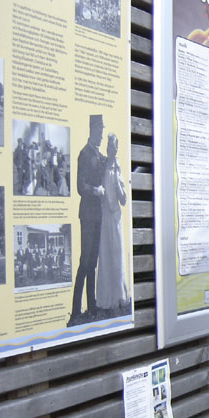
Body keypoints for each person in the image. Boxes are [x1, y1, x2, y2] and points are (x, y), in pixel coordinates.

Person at [69, 114, 106, 325]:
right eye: (100, 131)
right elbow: (80, 186)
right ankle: (76, 310)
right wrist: (96, 191)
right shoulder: (84, 154)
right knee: (85, 261)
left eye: (103, 132)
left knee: (93, 262)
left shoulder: (99, 156)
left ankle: (91, 306)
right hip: (88, 215)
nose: (101, 136)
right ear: (93, 130)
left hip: (98, 215)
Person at [96, 133, 128, 312]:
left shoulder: (118, 167)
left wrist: (118, 184)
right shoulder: (102, 164)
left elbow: (124, 200)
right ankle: (106, 299)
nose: (111, 149)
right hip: (104, 215)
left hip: (115, 215)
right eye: (109, 146)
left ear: (117, 148)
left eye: (114, 146)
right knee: (105, 254)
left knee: (116, 255)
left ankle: (119, 297)